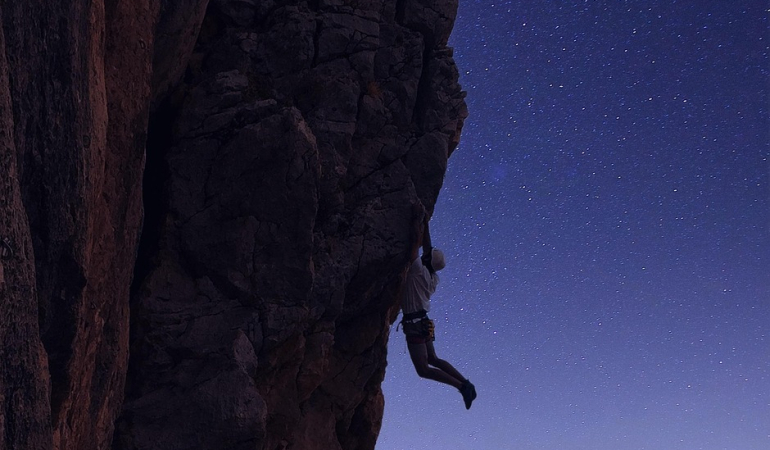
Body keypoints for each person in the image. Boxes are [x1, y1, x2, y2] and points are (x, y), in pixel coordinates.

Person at [400, 204, 477, 409]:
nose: (426, 254)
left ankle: (462, 387)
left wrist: (416, 222)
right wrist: (425, 222)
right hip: (423, 322)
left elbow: (414, 247)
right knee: (433, 358)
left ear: (427, 260)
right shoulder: (433, 277)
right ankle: (466, 384)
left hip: (415, 325)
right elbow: (427, 248)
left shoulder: (418, 270)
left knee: (423, 369)